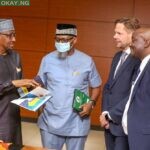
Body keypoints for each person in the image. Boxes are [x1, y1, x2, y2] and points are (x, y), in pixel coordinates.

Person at [36, 23, 102, 150]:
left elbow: (96, 86)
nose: (61, 43)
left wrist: (91, 103)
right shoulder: (47, 59)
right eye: (58, 40)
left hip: (77, 122)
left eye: (65, 40)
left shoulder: (87, 61)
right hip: (50, 122)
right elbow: (39, 85)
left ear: (75, 40)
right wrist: (38, 108)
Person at [101, 27, 150, 150]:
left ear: (146, 42)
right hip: (133, 133)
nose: (131, 45)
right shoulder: (143, 65)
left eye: (135, 40)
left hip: (143, 136)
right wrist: (107, 114)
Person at [0, 19, 39, 145]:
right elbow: (16, 83)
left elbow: (21, 88)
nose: (14, 39)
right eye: (9, 35)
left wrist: (34, 92)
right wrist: (13, 83)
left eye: (14, 35)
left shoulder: (16, 56)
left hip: (14, 119)